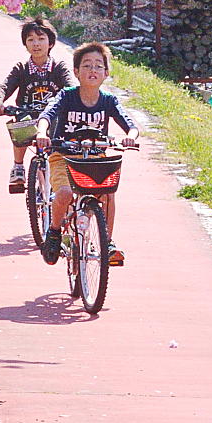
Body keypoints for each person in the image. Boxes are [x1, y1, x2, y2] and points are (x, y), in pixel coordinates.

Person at [33, 41, 141, 267]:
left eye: (98, 66)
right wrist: (43, 132)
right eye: (87, 65)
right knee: (63, 193)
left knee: (108, 195)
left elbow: (130, 124)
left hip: (96, 157)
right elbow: (47, 115)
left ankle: (107, 242)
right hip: (64, 156)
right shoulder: (66, 96)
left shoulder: (108, 100)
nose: (93, 70)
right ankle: (54, 232)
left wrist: (131, 136)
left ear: (106, 73)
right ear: (76, 71)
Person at [0, 17, 74, 192]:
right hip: (27, 114)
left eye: (41, 39)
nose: (36, 44)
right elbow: (5, 86)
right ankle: (18, 167)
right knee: (20, 127)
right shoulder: (21, 68)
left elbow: (70, 87)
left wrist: (73, 99)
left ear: (51, 43)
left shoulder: (59, 67)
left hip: (53, 117)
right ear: (25, 44)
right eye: (31, 40)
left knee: (61, 140)